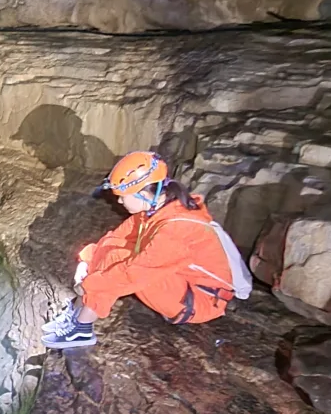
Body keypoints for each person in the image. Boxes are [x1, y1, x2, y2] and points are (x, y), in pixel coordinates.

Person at [41, 150, 251, 350]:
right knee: (112, 251)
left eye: (122, 196)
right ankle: (77, 312)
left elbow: (132, 275)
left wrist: (89, 284)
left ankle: (82, 328)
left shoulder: (178, 228)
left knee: (119, 265)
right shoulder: (154, 210)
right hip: (183, 282)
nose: (119, 201)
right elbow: (114, 239)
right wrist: (87, 261)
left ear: (142, 193)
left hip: (200, 300)